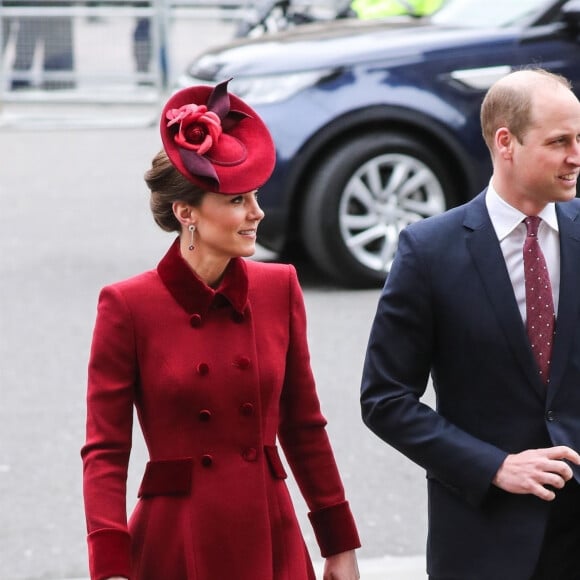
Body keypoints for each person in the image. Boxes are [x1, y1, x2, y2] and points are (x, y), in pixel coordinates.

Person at [81, 79, 361, 580]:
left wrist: (338, 542)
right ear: (186, 213)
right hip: (177, 540)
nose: (257, 213)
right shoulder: (127, 305)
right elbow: (105, 449)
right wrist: (109, 565)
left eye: (254, 197)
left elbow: (303, 425)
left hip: (270, 530)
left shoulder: (280, 287)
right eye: (236, 201)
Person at [360, 67, 580, 580]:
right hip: (484, 541)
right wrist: (494, 466)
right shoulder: (429, 251)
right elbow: (385, 399)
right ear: (506, 142)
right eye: (560, 142)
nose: (577, 156)